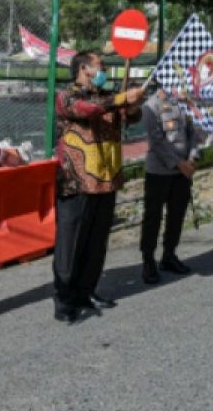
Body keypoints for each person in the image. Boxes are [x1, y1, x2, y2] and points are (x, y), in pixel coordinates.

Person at [53, 51, 145, 322]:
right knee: (70, 245)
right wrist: (120, 99)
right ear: (84, 69)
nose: (105, 71)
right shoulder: (67, 95)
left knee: (97, 244)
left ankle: (87, 291)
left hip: (107, 180)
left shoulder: (108, 96)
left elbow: (132, 118)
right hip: (76, 184)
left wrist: (131, 106)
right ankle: (64, 300)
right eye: (100, 67)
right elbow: (87, 110)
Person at [140, 87, 198, 285]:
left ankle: (169, 255)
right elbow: (156, 141)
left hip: (182, 173)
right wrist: (179, 164)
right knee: (152, 217)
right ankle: (148, 261)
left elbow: (193, 132)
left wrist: (192, 158)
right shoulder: (151, 104)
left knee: (177, 215)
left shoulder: (182, 102)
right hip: (159, 172)